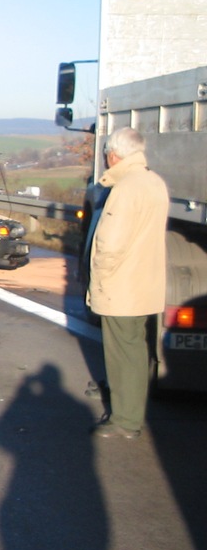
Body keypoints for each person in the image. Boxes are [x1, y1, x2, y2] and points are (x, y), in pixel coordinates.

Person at [87, 126, 169, 439]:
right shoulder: (153, 182)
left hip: (122, 284)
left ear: (113, 154)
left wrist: (100, 280)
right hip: (144, 282)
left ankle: (124, 419)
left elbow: (110, 243)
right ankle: (130, 412)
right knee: (136, 350)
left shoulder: (126, 188)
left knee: (122, 352)